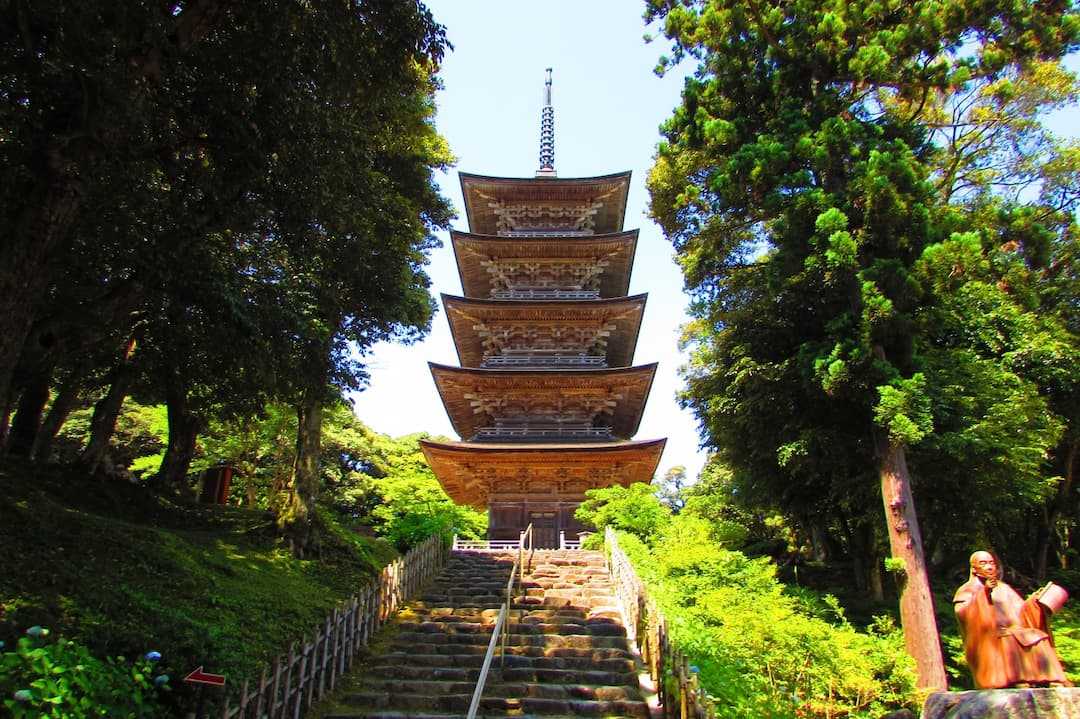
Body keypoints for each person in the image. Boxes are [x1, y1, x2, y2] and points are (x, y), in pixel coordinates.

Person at [953, 550, 1073, 689]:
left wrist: (1035, 601)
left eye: (991, 563)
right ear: (974, 568)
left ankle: (1053, 678)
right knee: (1010, 637)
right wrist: (983, 593)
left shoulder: (1003, 588)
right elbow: (962, 612)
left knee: (1037, 636)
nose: (989, 567)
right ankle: (1017, 680)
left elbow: (1021, 610)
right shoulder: (967, 590)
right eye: (983, 563)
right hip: (991, 636)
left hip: (1015, 629)